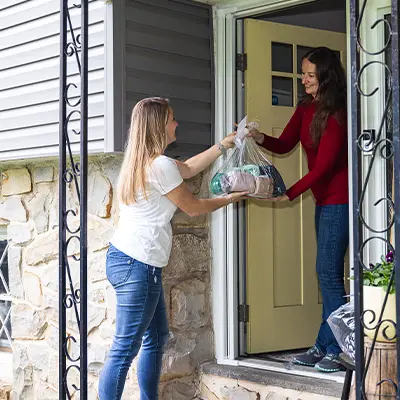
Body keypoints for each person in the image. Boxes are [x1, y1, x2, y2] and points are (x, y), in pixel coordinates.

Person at [98, 97, 247, 399]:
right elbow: (192, 207)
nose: (176, 123)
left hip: (130, 261)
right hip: (137, 265)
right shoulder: (160, 165)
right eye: (172, 119)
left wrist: (223, 145)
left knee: (155, 337)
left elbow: (189, 168)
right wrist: (230, 198)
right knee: (125, 348)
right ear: (158, 126)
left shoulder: (144, 162)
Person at [249, 47, 348, 373]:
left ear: (325, 76)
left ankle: (336, 349)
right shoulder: (306, 108)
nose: (302, 79)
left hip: (340, 201)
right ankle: (324, 344)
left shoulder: (337, 112)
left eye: (308, 74)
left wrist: (288, 193)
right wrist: (256, 136)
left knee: (328, 276)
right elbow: (284, 144)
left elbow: (324, 168)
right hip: (324, 202)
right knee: (327, 274)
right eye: (303, 72)